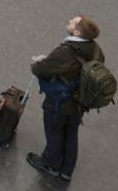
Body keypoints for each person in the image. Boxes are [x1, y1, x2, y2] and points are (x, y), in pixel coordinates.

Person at [27, 15, 105, 182]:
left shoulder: (66, 52)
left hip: (59, 101)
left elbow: (41, 70)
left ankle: (51, 165)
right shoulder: (97, 50)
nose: (68, 21)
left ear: (77, 32)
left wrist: (39, 63)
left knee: (54, 131)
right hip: (80, 102)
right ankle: (66, 171)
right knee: (70, 133)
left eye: (72, 22)